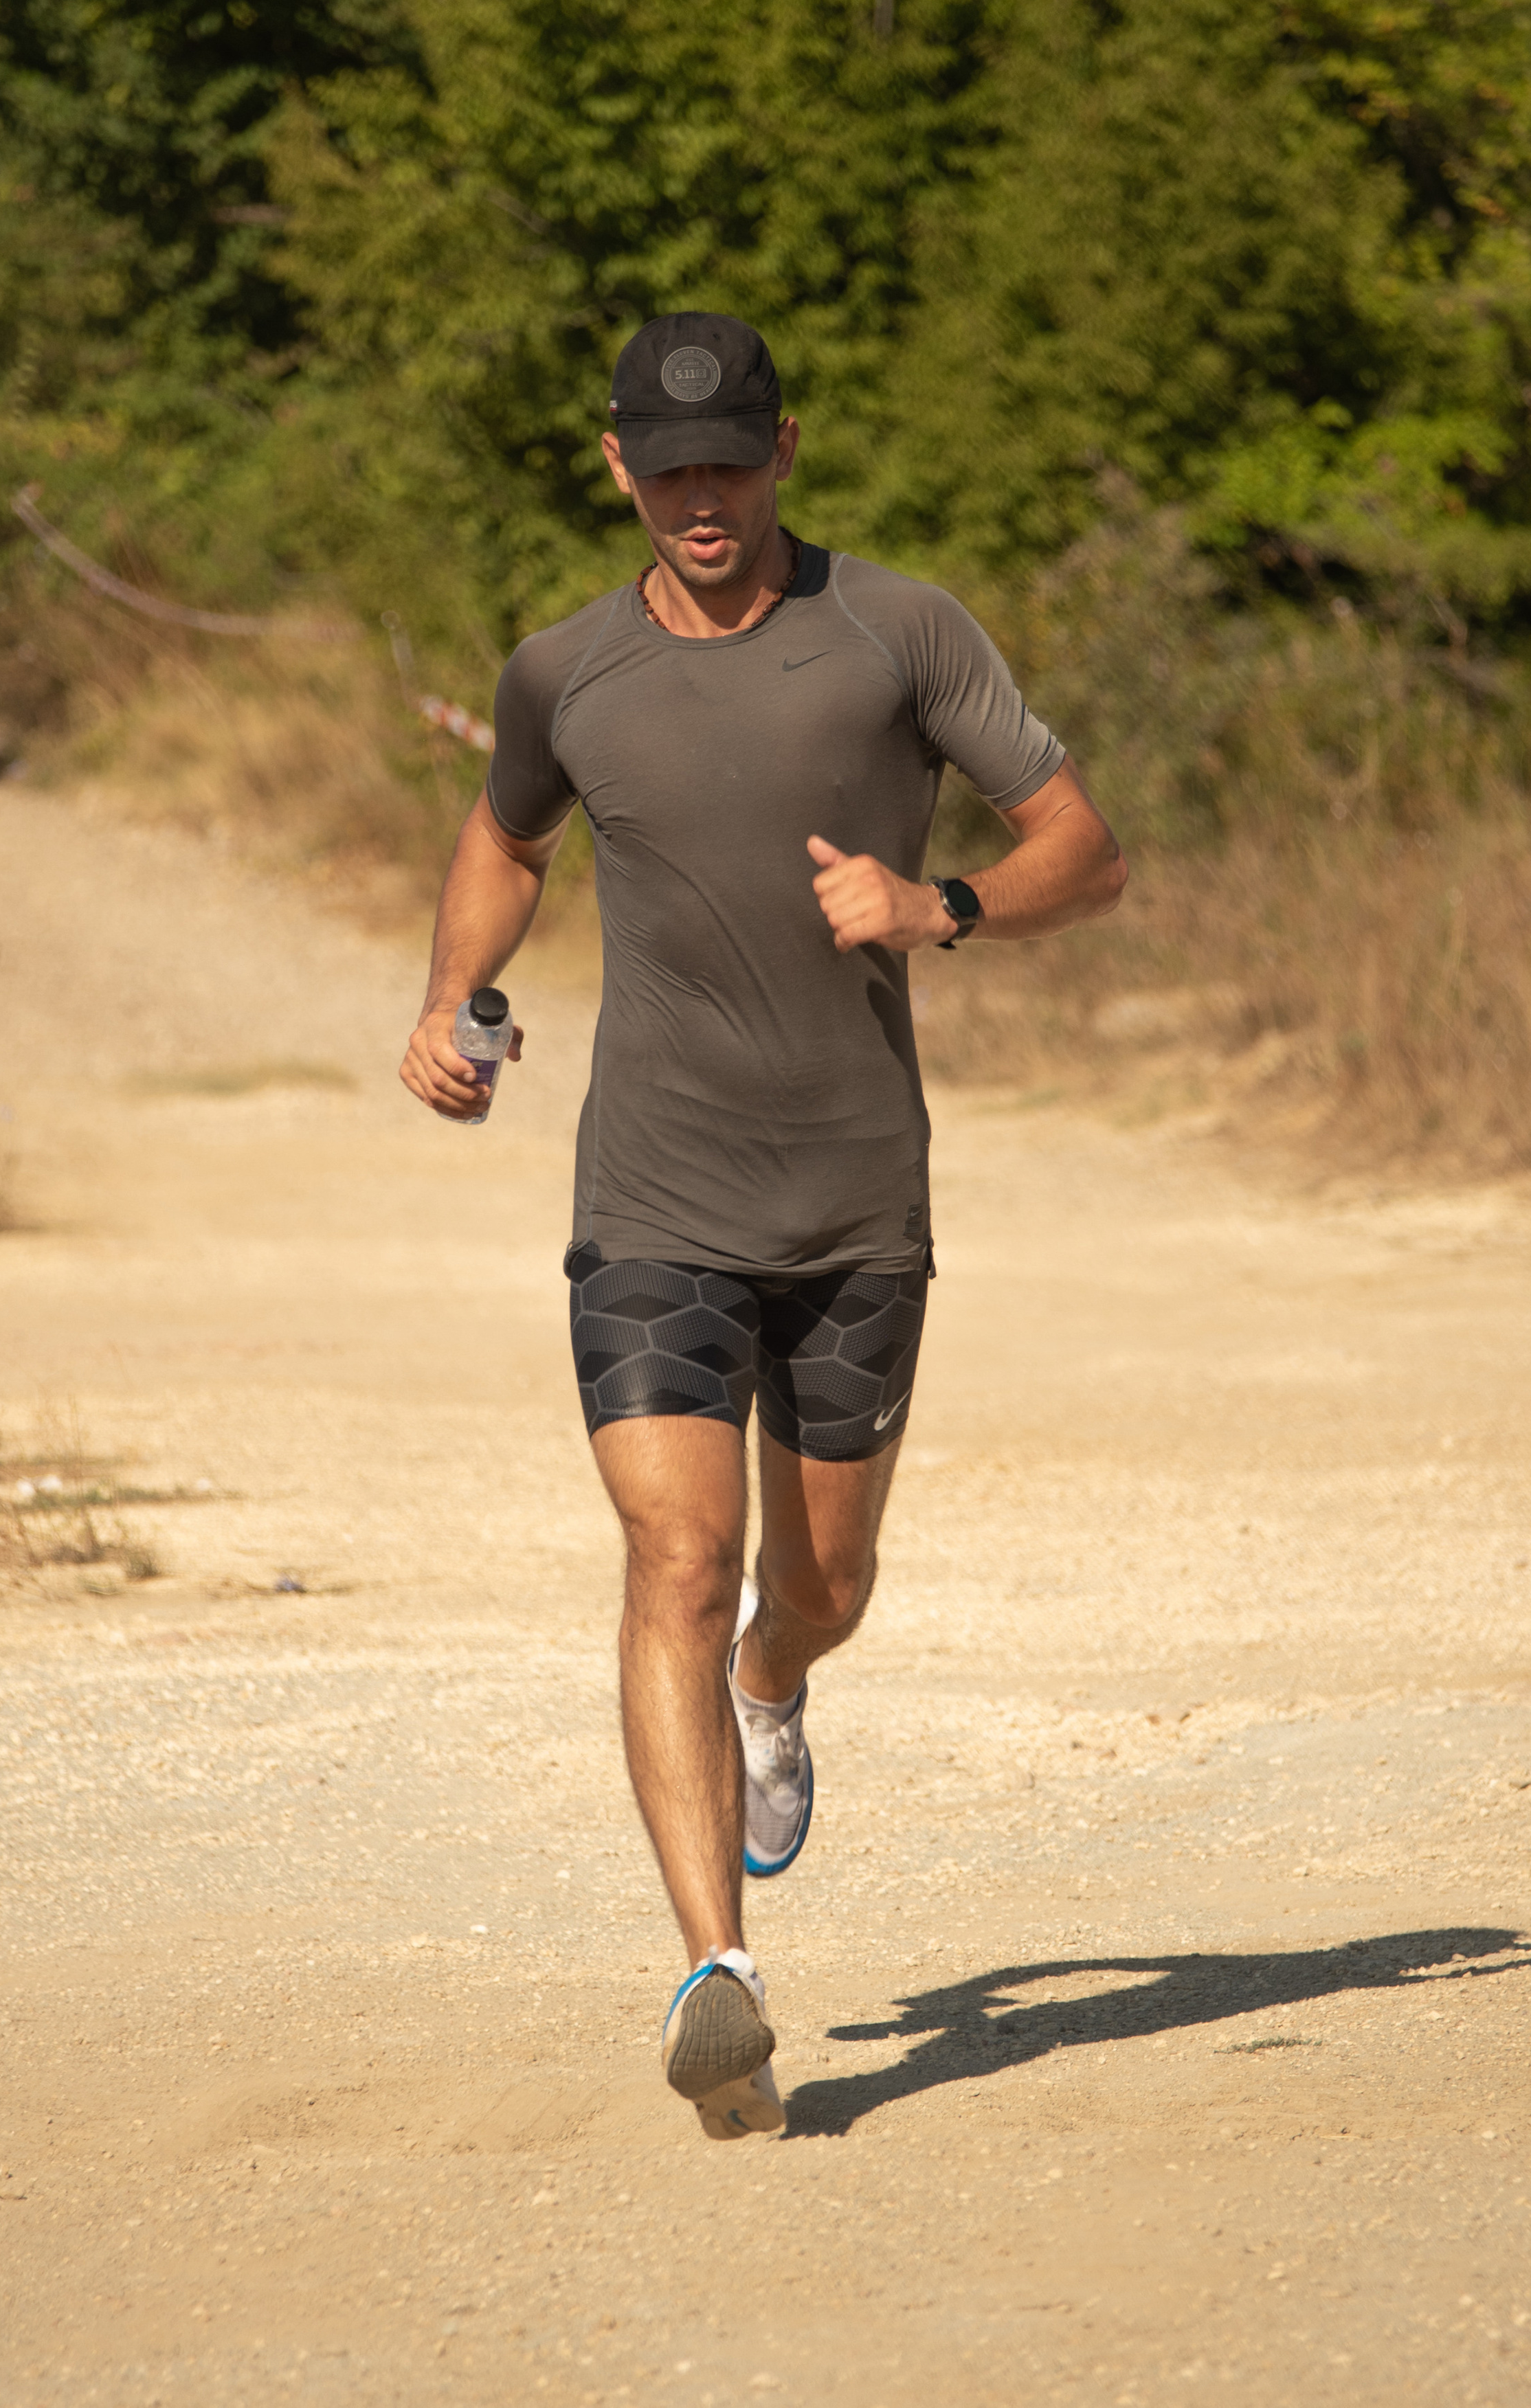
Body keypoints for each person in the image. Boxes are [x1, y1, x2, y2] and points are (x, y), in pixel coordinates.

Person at [401, 312, 1126, 2141]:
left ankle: (776, 1680)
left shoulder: (899, 635)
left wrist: (933, 899)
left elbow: (1083, 845)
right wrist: (451, 995)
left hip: (856, 1201)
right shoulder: (564, 670)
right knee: (670, 1547)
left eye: (728, 463)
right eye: (668, 466)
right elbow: (506, 837)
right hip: (650, 1192)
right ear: (617, 465)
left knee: (821, 1582)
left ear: (783, 452)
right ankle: (717, 1974)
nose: (699, 495)